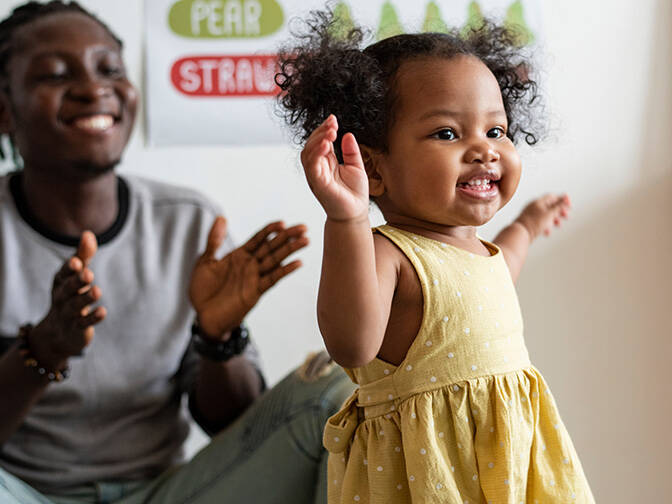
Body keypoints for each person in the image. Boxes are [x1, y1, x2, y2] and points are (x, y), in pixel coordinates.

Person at [0, 1, 354, 503]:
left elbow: (238, 430)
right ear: (4, 109)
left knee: (336, 391)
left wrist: (217, 336)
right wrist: (43, 349)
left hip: (169, 493)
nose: (92, 88)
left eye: (110, 70)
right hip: (21, 493)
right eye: (56, 75)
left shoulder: (188, 222)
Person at [276, 10, 595, 503]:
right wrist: (348, 220)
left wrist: (527, 227)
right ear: (374, 169)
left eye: (496, 131)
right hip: (431, 478)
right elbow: (353, 343)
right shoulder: (390, 253)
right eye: (448, 133)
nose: (484, 151)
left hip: (509, 470)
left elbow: (496, 275)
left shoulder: (475, 249)